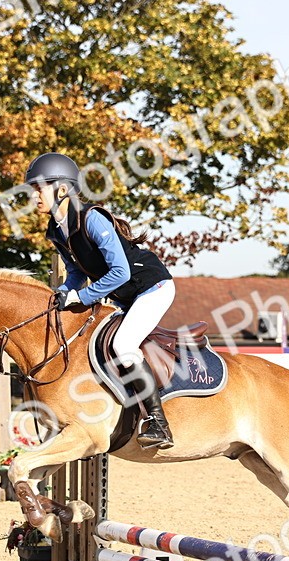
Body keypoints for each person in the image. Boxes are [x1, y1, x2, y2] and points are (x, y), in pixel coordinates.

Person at [26, 152, 176, 450]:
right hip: (126, 297)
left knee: (123, 345)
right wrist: (65, 292)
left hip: (152, 287)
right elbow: (75, 271)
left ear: (63, 189)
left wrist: (80, 296)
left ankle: (158, 422)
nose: (34, 195)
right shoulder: (56, 229)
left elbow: (120, 272)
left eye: (38, 188)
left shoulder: (91, 218)